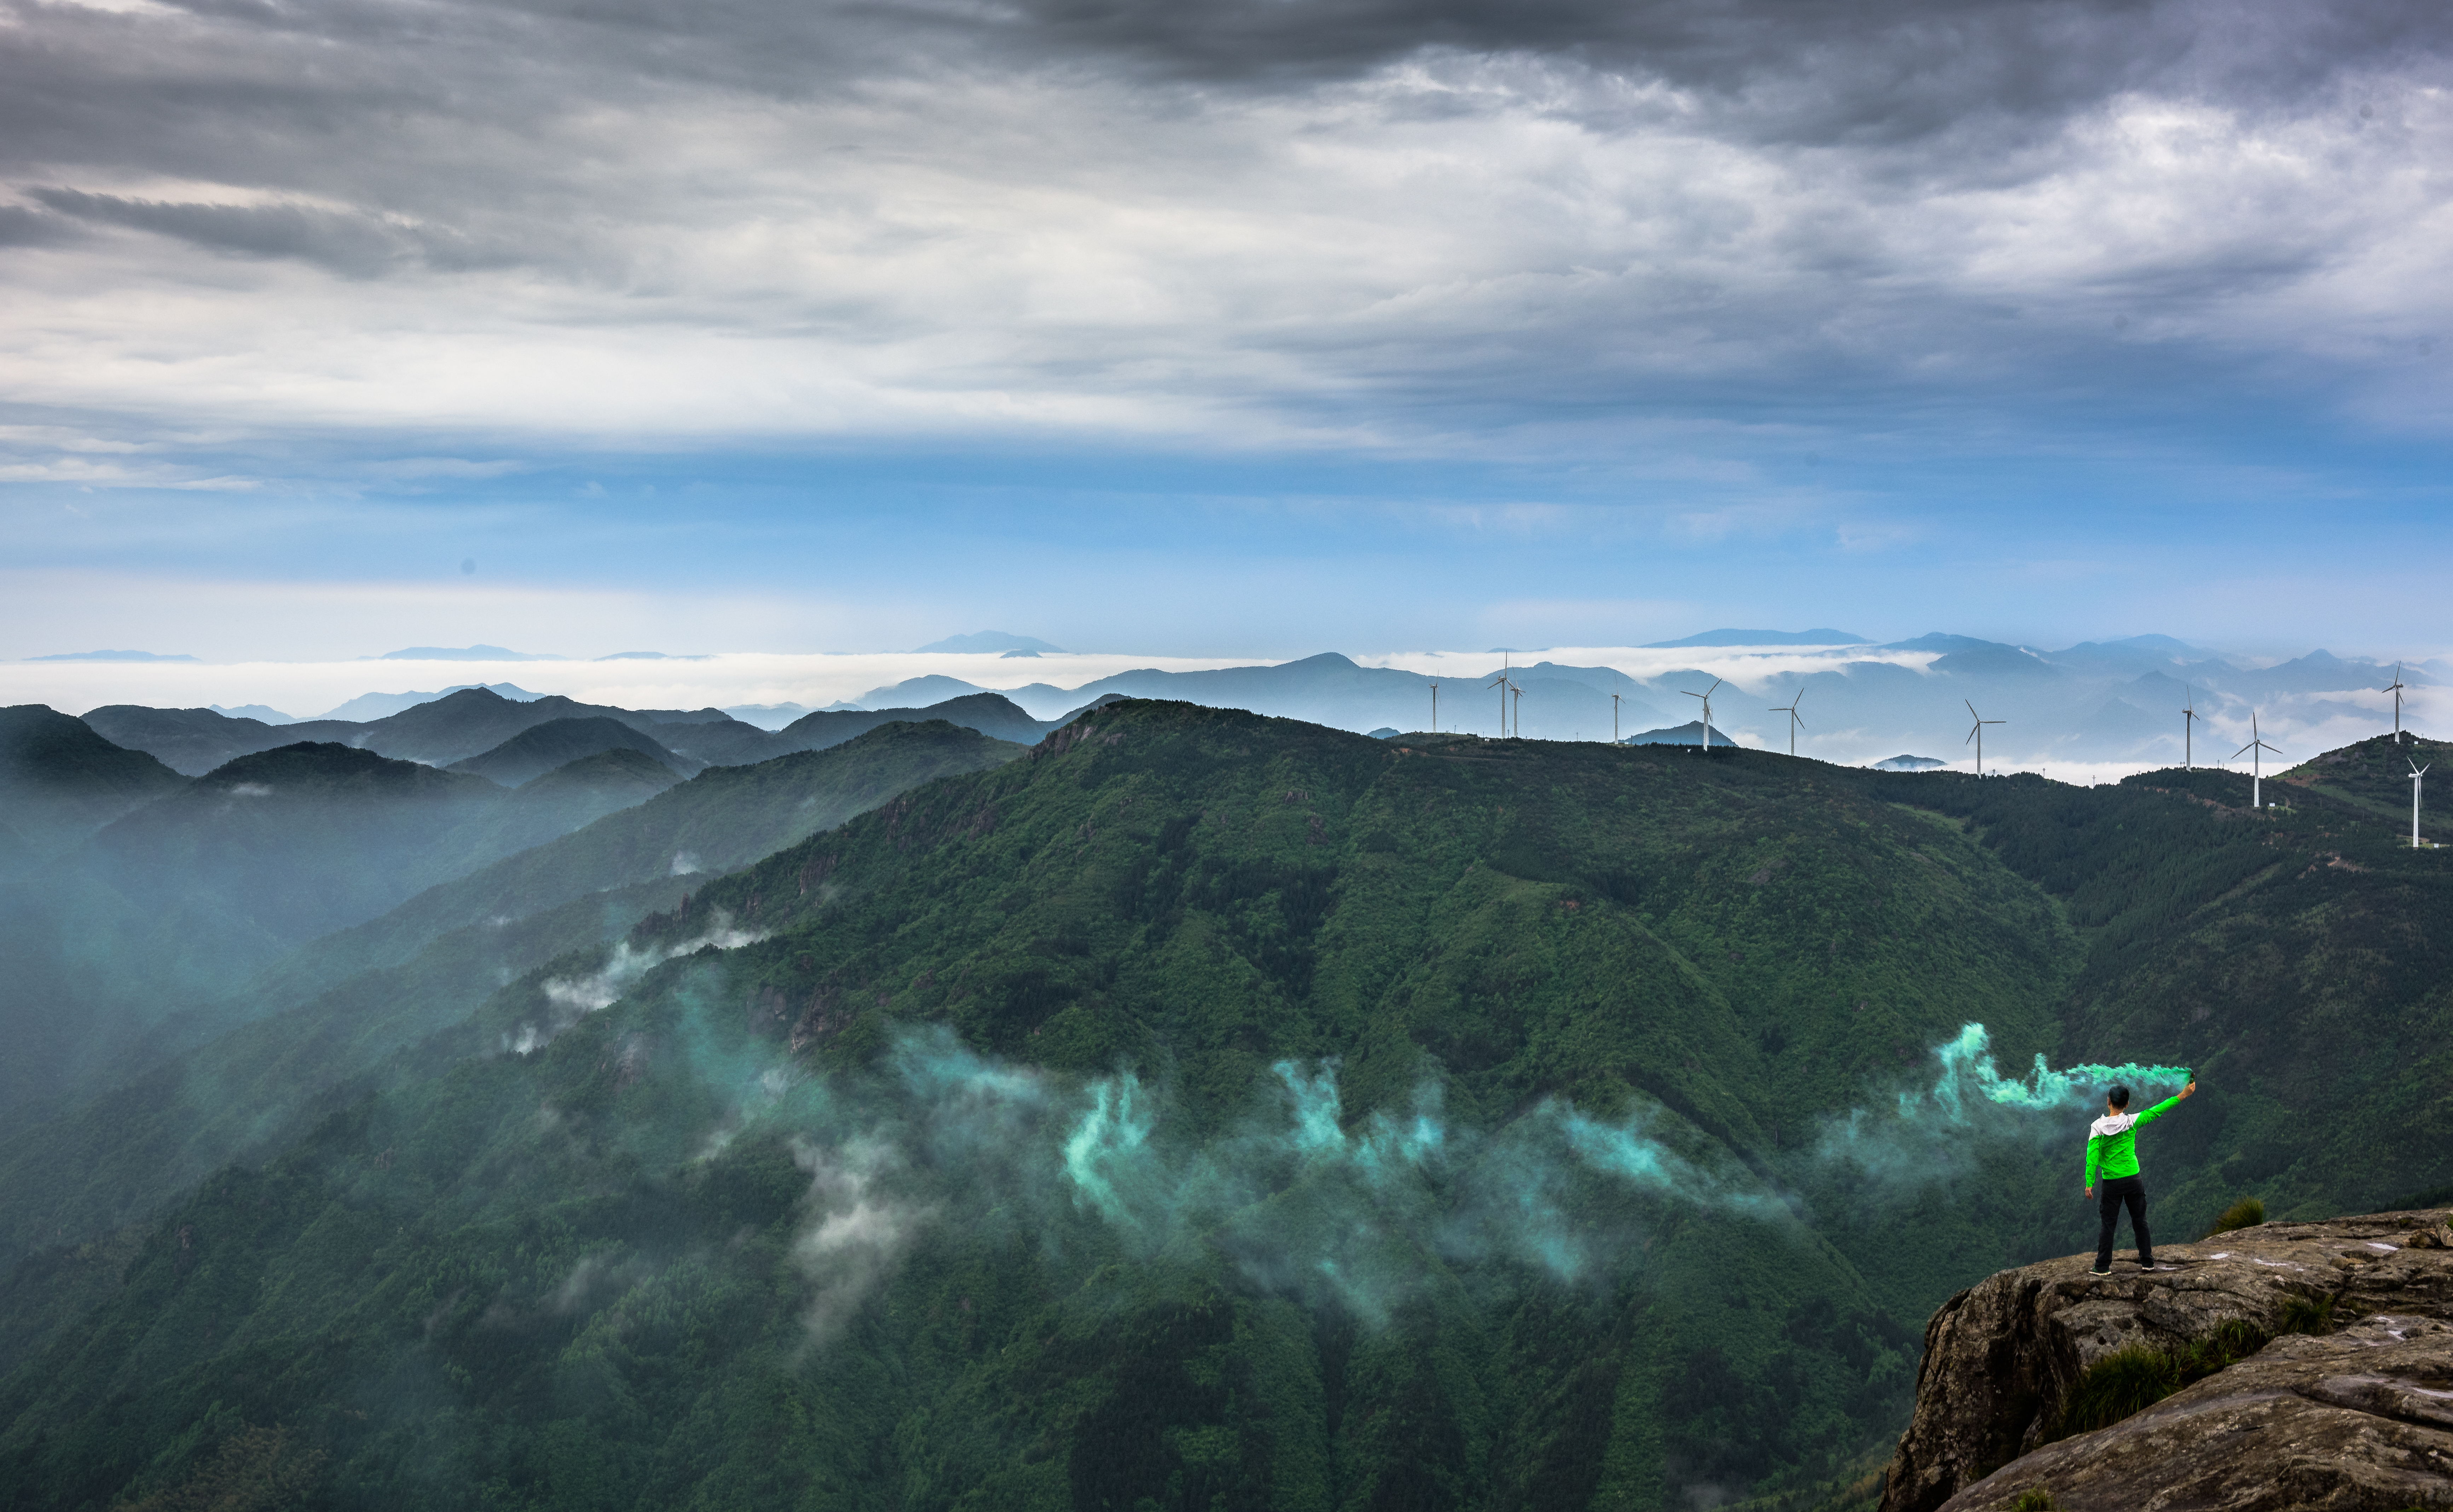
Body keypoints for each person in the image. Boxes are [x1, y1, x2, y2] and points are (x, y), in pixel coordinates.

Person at [2084, 1076, 2197, 1275]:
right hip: (2134, 1179)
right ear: (2127, 1104)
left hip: (2112, 1183)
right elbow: (2158, 1110)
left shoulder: (2097, 1127)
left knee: (2109, 1225)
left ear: (2108, 1101)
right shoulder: (2132, 1121)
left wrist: (2090, 1183)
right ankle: (2147, 1262)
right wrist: (2184, 1094)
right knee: (2140, 1221)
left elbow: (2092, 1157)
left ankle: (2102, 1266)